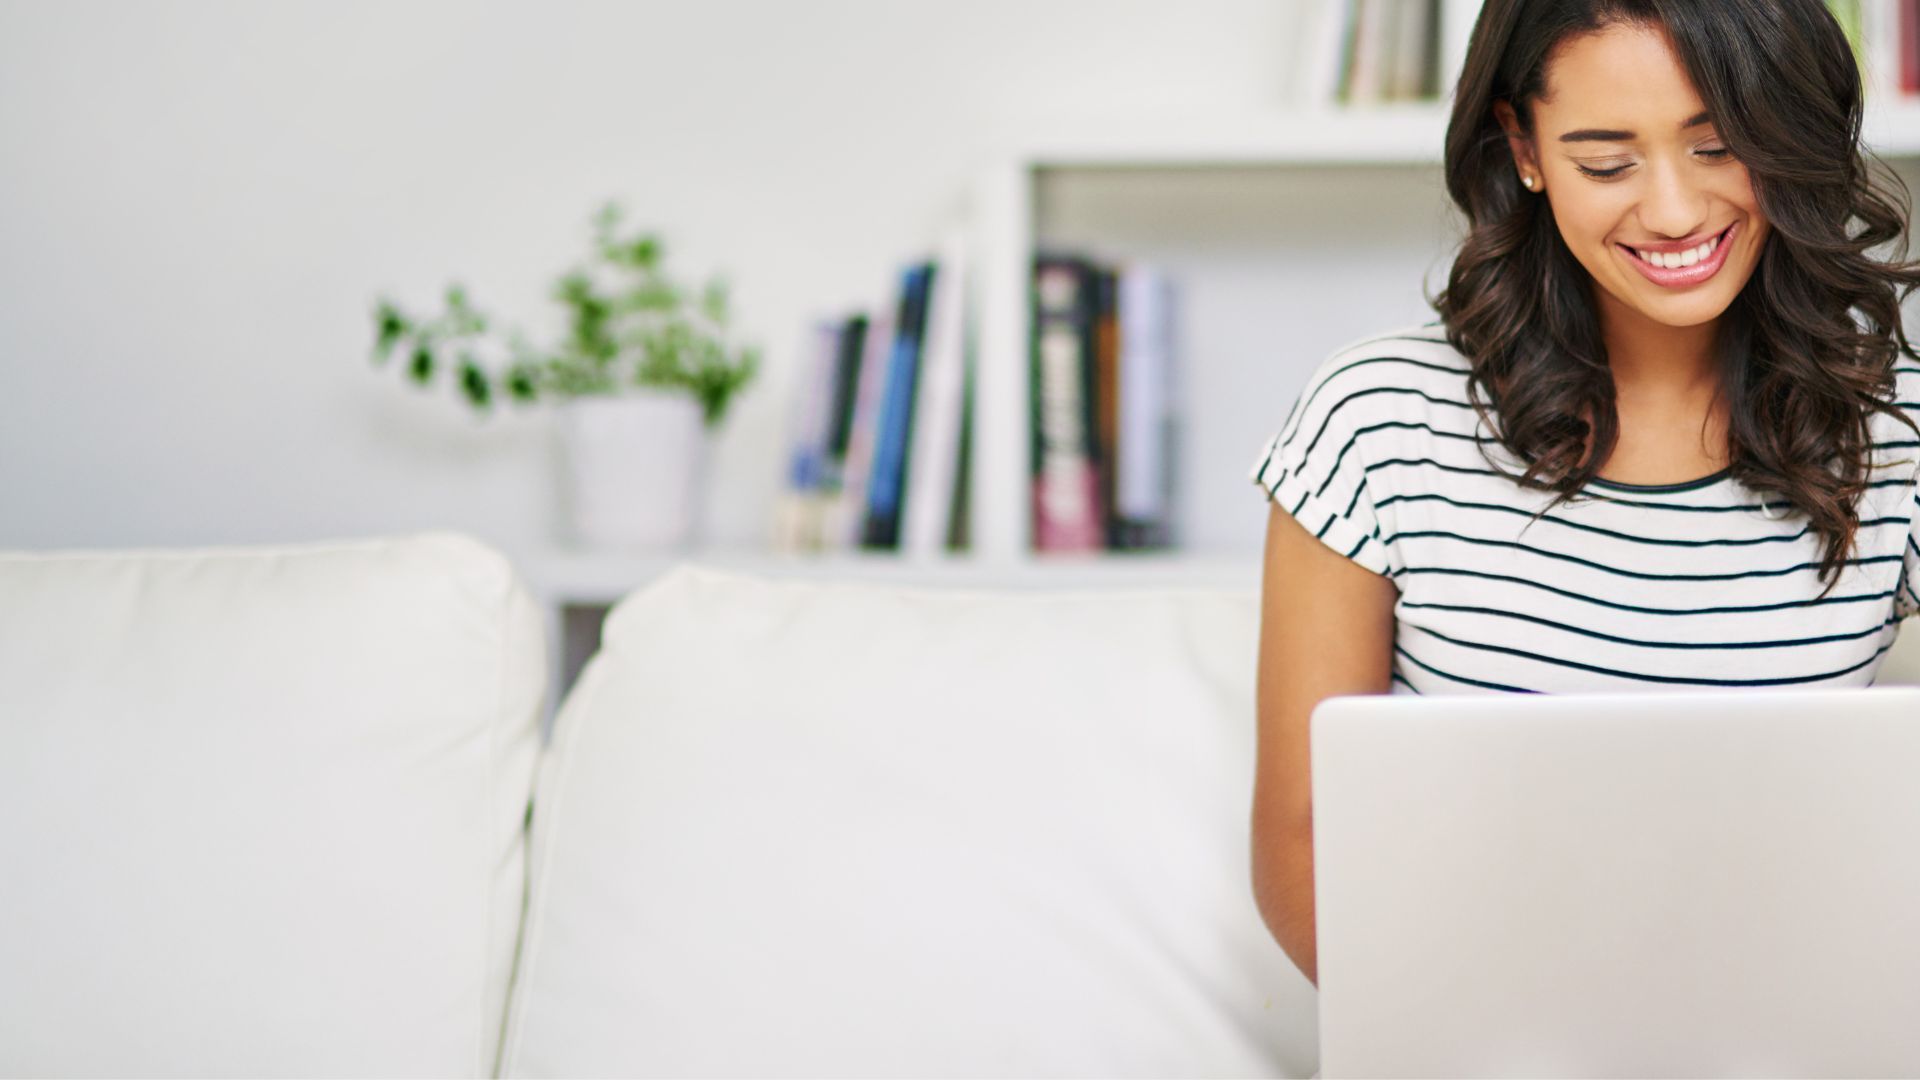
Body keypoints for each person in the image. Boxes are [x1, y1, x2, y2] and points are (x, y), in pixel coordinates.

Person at [1248, 0, 1920, 988]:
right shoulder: (1379, 419)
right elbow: (1301, 847)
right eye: (1607, 162)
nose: (1675, 212)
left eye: (1720, 146)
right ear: (1522, 147)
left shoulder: (1896, 430)